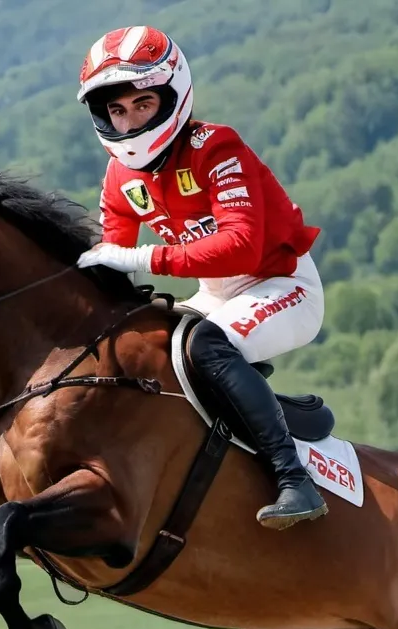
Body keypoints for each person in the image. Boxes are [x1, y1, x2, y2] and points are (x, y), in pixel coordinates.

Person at [75, 25, 328, 530]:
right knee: (140, 349)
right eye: (117, 111)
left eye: (143, 104)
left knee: (207, 345)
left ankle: (295, 480)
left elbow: (240, 247)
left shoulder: (217, 147)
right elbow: (113, 258)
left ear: (172, 94)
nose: (128, 123)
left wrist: (144, 259)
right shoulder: (119, 175)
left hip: (282, 284)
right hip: (215, 294)